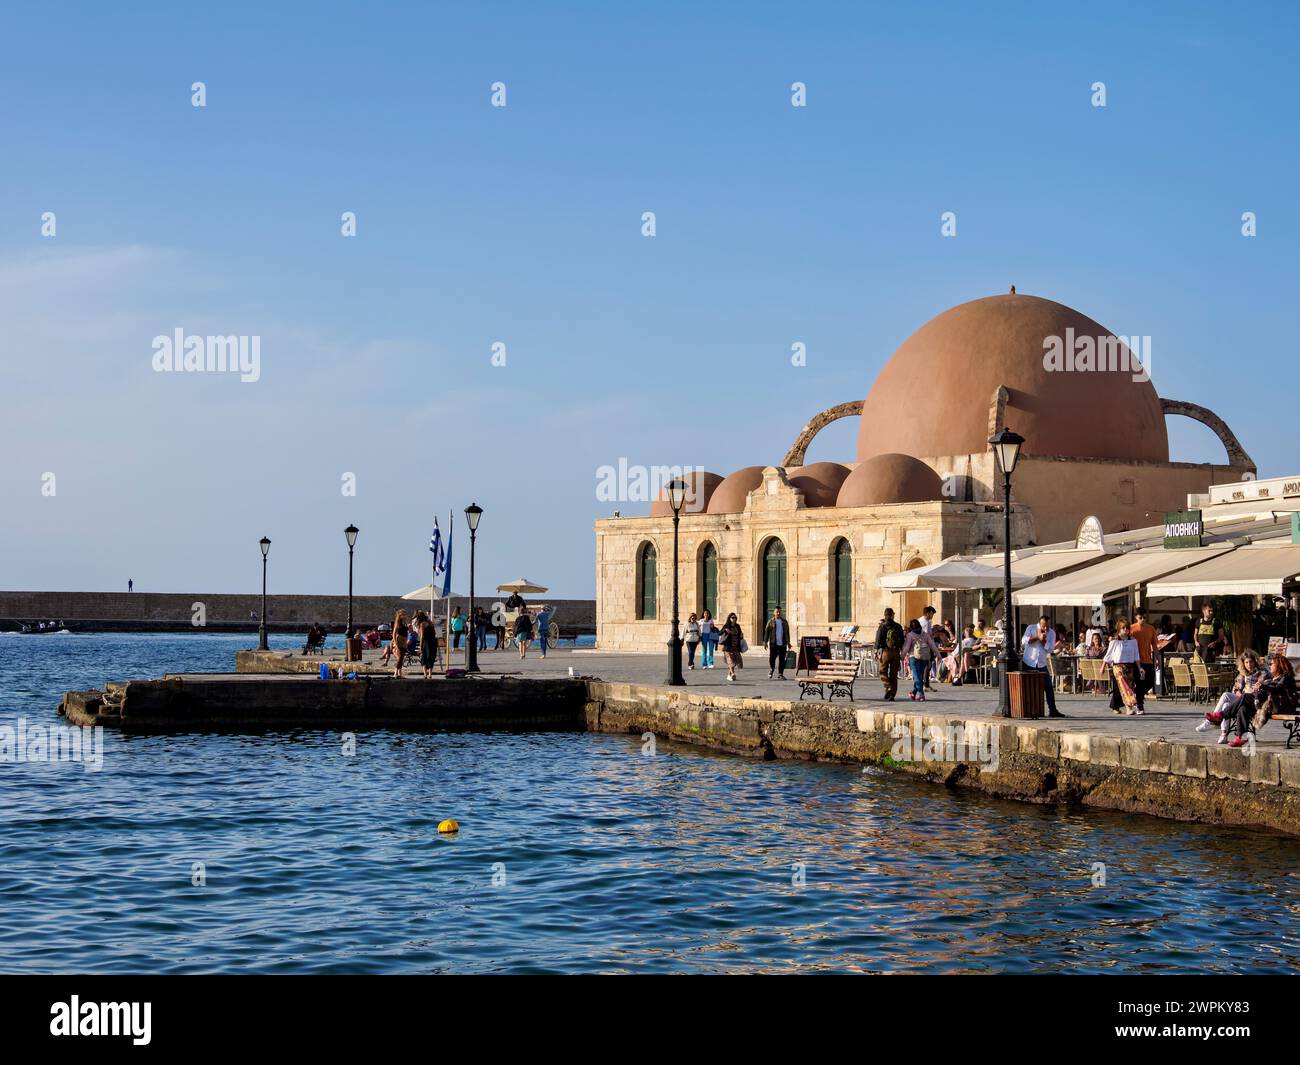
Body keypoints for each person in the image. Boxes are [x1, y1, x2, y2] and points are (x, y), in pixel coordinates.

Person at [1197, 650, 1269, 743]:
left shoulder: (1262, 672)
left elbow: (1267, 683)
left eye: (1251, 662)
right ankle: (1223, 735)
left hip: (1255, 700)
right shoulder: (1242, 674)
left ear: (1255, 661)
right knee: (1226, 702)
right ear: (1243, 663)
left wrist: (1260, 684)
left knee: (1226, 697)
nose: (1249, 664)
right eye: (1246, 662)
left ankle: (1212, 720)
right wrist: (1237, 691)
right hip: (1242, 699)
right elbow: (1235, 688)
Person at [1226, 654, 1296, 747]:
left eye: (1271, 664)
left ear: (1279, 665)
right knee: (1243, 708)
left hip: (1281, 707)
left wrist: (1262, 686)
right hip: (1269, 705)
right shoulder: (1274, 678)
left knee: (1245, 697)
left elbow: (1277, 688)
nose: (1269, 665)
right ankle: (1239, 737)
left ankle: (1223, 715)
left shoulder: (1286, 677)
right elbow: (1268, 691)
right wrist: (1259, 689)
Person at [1020, 614, 1063, 718]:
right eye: (1043, 626)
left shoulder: (1051, 633)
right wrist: (1037, 637)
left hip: (1041, 663)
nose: (1045, 628)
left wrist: (1043, 641)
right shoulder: (1031, 628)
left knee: (1048, 686)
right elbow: (1024, 641)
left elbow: (1050, 649)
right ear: (1039, 623)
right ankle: (1028, 710)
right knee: (1028, 687)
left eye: (1047, 626)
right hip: (1029, 662)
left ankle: (1052, 709)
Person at [1103, 617, 1142, 715]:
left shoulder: (1133, 641)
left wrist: (1140, 667)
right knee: (1125, 686)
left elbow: (1136, 655)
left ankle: (1115, 705)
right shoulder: (1115, 641)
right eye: (1123, 628)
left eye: (1127, 628)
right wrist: (1103, 666)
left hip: (1129, 666)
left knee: (1126, 687)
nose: (1126, 630)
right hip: (1118, 667)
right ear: (1119, 628)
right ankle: (1129, 707)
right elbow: (1108, 655)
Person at [901, 619, 940, 702]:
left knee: (917, 677)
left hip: (913, 657)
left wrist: (902, 656)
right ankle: (913, 693)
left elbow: (907, 647)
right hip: (924, 658)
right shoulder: (925, 634)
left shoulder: (910, 635)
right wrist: (938, 655)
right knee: (919, 677)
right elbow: (932, 645)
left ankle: (921, 695)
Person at [875, 608, 905, 701]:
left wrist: (876, 650)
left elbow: (878, 640)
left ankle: (887, 686)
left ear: (885, 615)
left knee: (882, 671)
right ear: (892, 615)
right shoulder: (898, 626)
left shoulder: (882, 626)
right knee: (893, 674)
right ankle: (892, 695)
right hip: (896, 652)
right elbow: (902, 641)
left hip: (886, 652)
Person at [1130, 609, 1157, 705]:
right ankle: (1139, 704)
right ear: (1136, 617)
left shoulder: (1151, 629)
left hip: (1148, 660)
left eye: (1144, 617)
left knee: (1150, 681)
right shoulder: (1131, 629)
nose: (1143, 620)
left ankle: (1137, 694)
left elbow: (1154, 645)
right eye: (1140, 618)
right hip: (1136, 661)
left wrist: (1157, 658)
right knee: (1140, 682)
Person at [763, 606, 790, 680]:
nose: (778, 613)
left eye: (779, 612)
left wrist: (788, 642)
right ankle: (772, 669)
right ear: (774, 613)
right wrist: (765, 642)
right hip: (773, 643)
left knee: (782, 659)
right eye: (777, 612)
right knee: (772, 658)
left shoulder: (784, 622)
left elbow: (787, 633)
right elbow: (766, 632)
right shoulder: (770, 622)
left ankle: (780, 674)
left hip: (783, 643)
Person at [718, 612, 745, 682]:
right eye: (733, 618)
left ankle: (729, 675)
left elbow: (740, 634)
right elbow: (719, 633)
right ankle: (733, 673)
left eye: (735, 618)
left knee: (736, 661)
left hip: (736, 647)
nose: (734, 619)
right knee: (730, 661)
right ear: (729, 618)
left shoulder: (737, 626)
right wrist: (725, 630)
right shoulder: (726, 626)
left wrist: (741, 636)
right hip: (728, 647)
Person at [415, 610, 438, 679]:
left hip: (426, 642)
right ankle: (430, 674)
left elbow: (422, 637)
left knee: (424, 658)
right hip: (433, 642)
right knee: (431, 658)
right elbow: (435, 633)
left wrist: (420, 647)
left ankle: (425, 674)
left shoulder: (422, 624)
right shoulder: (430, 623)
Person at [389, 610, 410, 677]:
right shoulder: (397, 623)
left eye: (404, 614)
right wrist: (395, 643)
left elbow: (407, 632)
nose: (404, 616)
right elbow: (394, 634)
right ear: (400, 616)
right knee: (400, 657)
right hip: (399, 640)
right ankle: (395, 673)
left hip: (404, 640)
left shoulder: (405, 623)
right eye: (403, 615)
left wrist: (406, 642)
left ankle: (399, 673)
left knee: (401, 657)